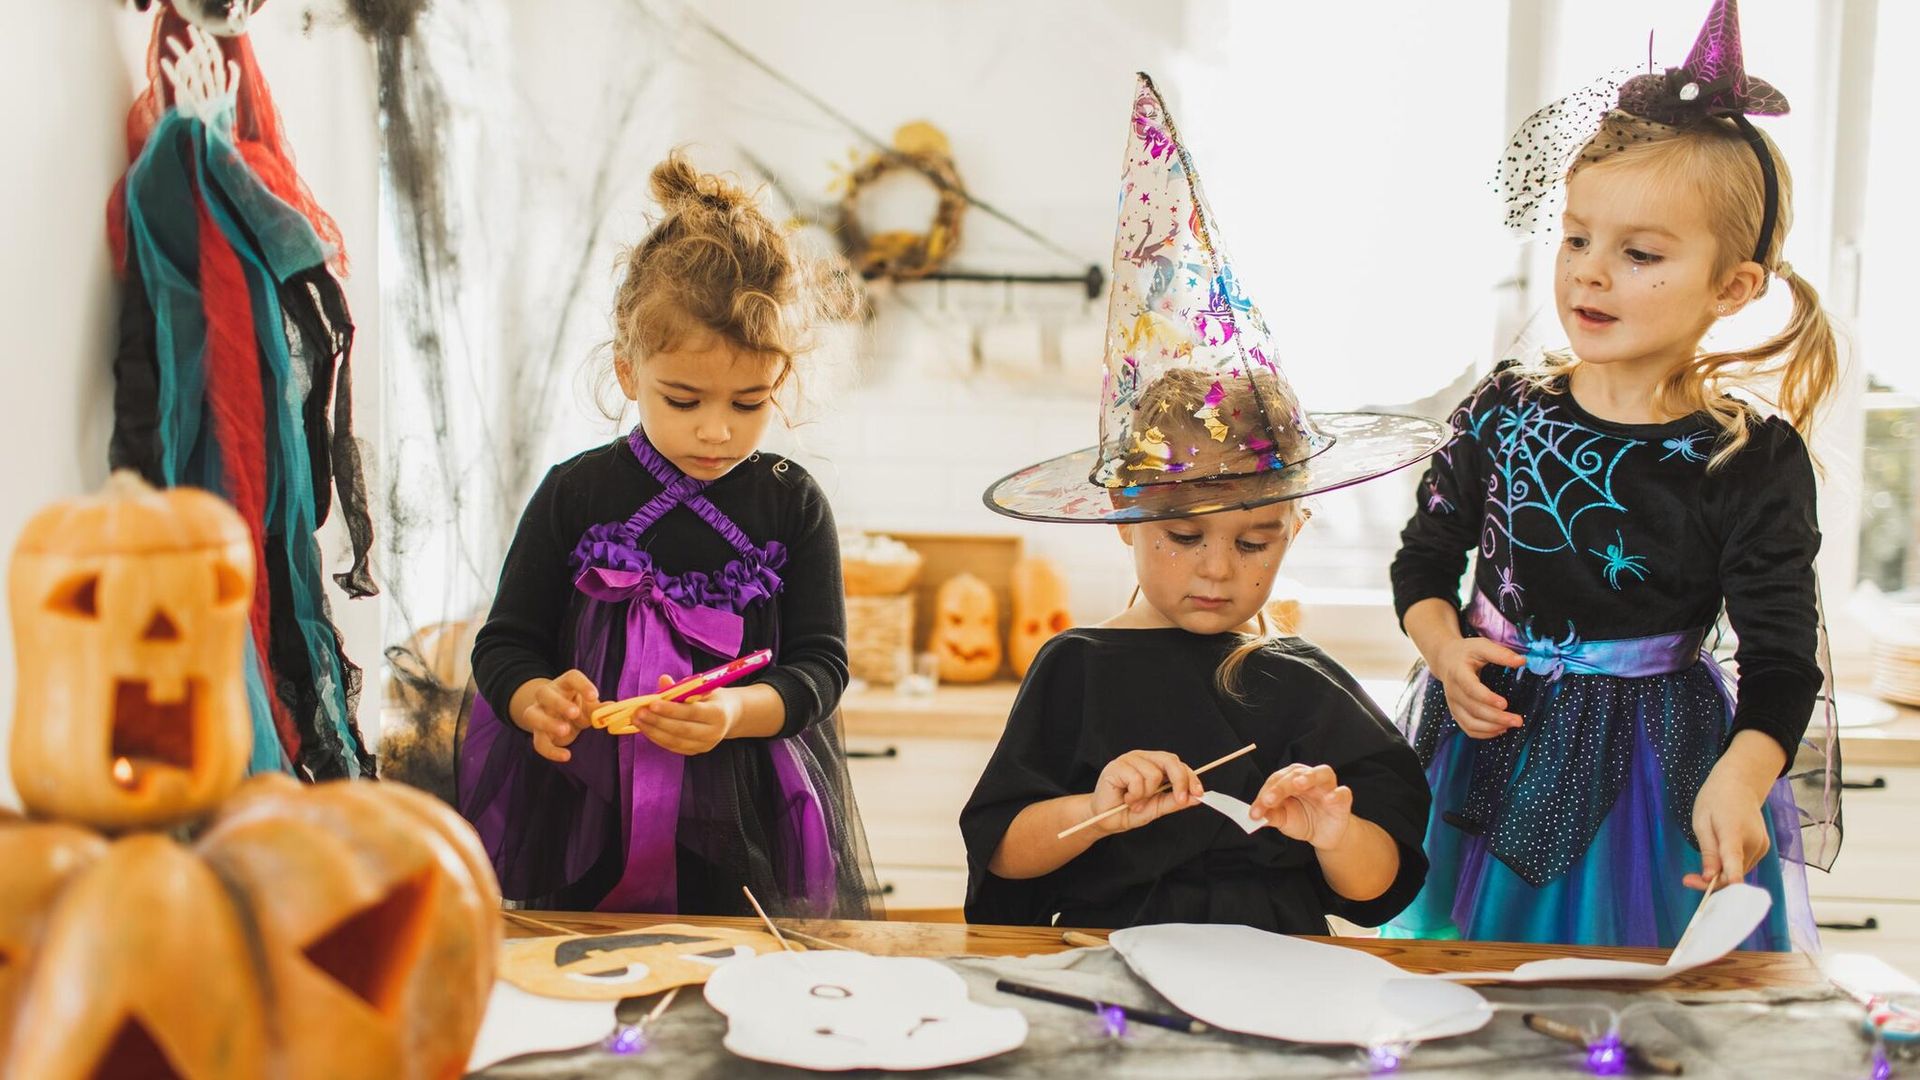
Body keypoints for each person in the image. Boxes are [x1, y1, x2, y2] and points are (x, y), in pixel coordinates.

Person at [1385, 0, 1838, 950]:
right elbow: (1422, 565)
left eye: (1638, 254)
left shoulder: (1748, 460)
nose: (1589, 273)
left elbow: (1783, 660)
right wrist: (1443, 648)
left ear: (1731, 286)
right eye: (1576, 236)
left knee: (1621, 997)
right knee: (1467, 989)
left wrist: (1742, 776)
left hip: (1651, 769)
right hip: (1485, 746)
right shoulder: (1502, 410)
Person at [961, 73, 1446, 933]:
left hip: (1280, 983)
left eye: (1255, 542)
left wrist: (1334, 834)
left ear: (1296, 528)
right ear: (1128, 516)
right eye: (1185, 536)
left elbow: (1381, 887)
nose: (1217, 569)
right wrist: (1097, 810)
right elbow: (1002, 853)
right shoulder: (1075, 670)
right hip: (1106, 970)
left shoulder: (1302, 684)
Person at [458, 153, 874, 917]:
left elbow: (822, 668)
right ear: (627, 371)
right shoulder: (575, 493)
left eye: (749, 403)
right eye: (682, 399)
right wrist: (535, 700)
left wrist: (730, 715)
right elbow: (504, 644)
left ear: (778, 383)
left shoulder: (792, 504)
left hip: (744, 817)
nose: (716, 431)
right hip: (581, 812)